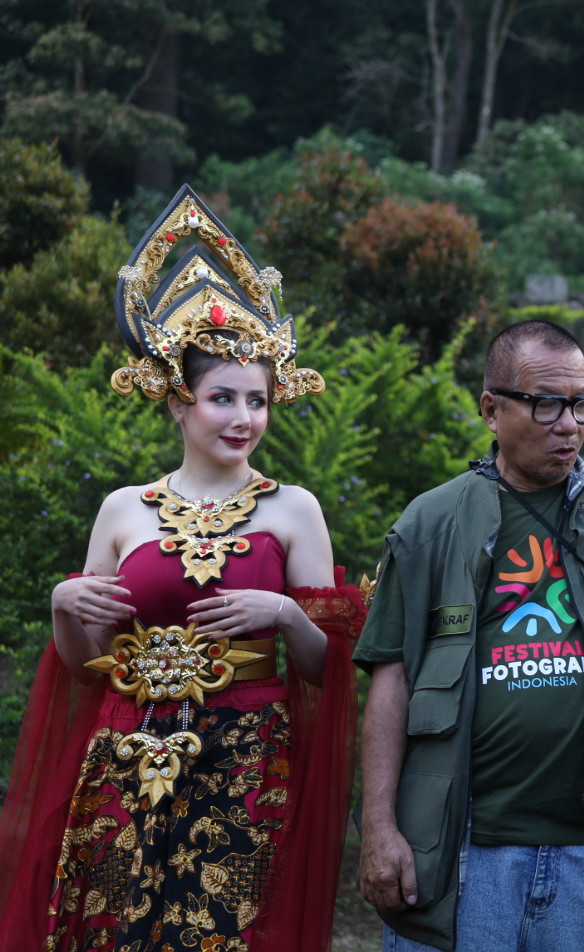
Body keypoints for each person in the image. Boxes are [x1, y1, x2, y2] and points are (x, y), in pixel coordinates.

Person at [0, 188, 367, 952]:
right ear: (177, 402)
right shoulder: (123, 510)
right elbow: (83, 666)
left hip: (247, 758)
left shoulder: (293, 509)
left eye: (258, 401)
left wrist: (287, 615)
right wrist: (65, 603)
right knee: (108, 932)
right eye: (222, 398)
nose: (244, 418)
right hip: (124, 751)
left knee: (224, 935)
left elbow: (329, 671)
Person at [355, 319, 584, 952]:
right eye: (545, 403)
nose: (569, 423)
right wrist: (379, 829)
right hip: (462, 847)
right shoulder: (431, 522)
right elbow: (392, 679)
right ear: (491, 409)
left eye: (582, 404)